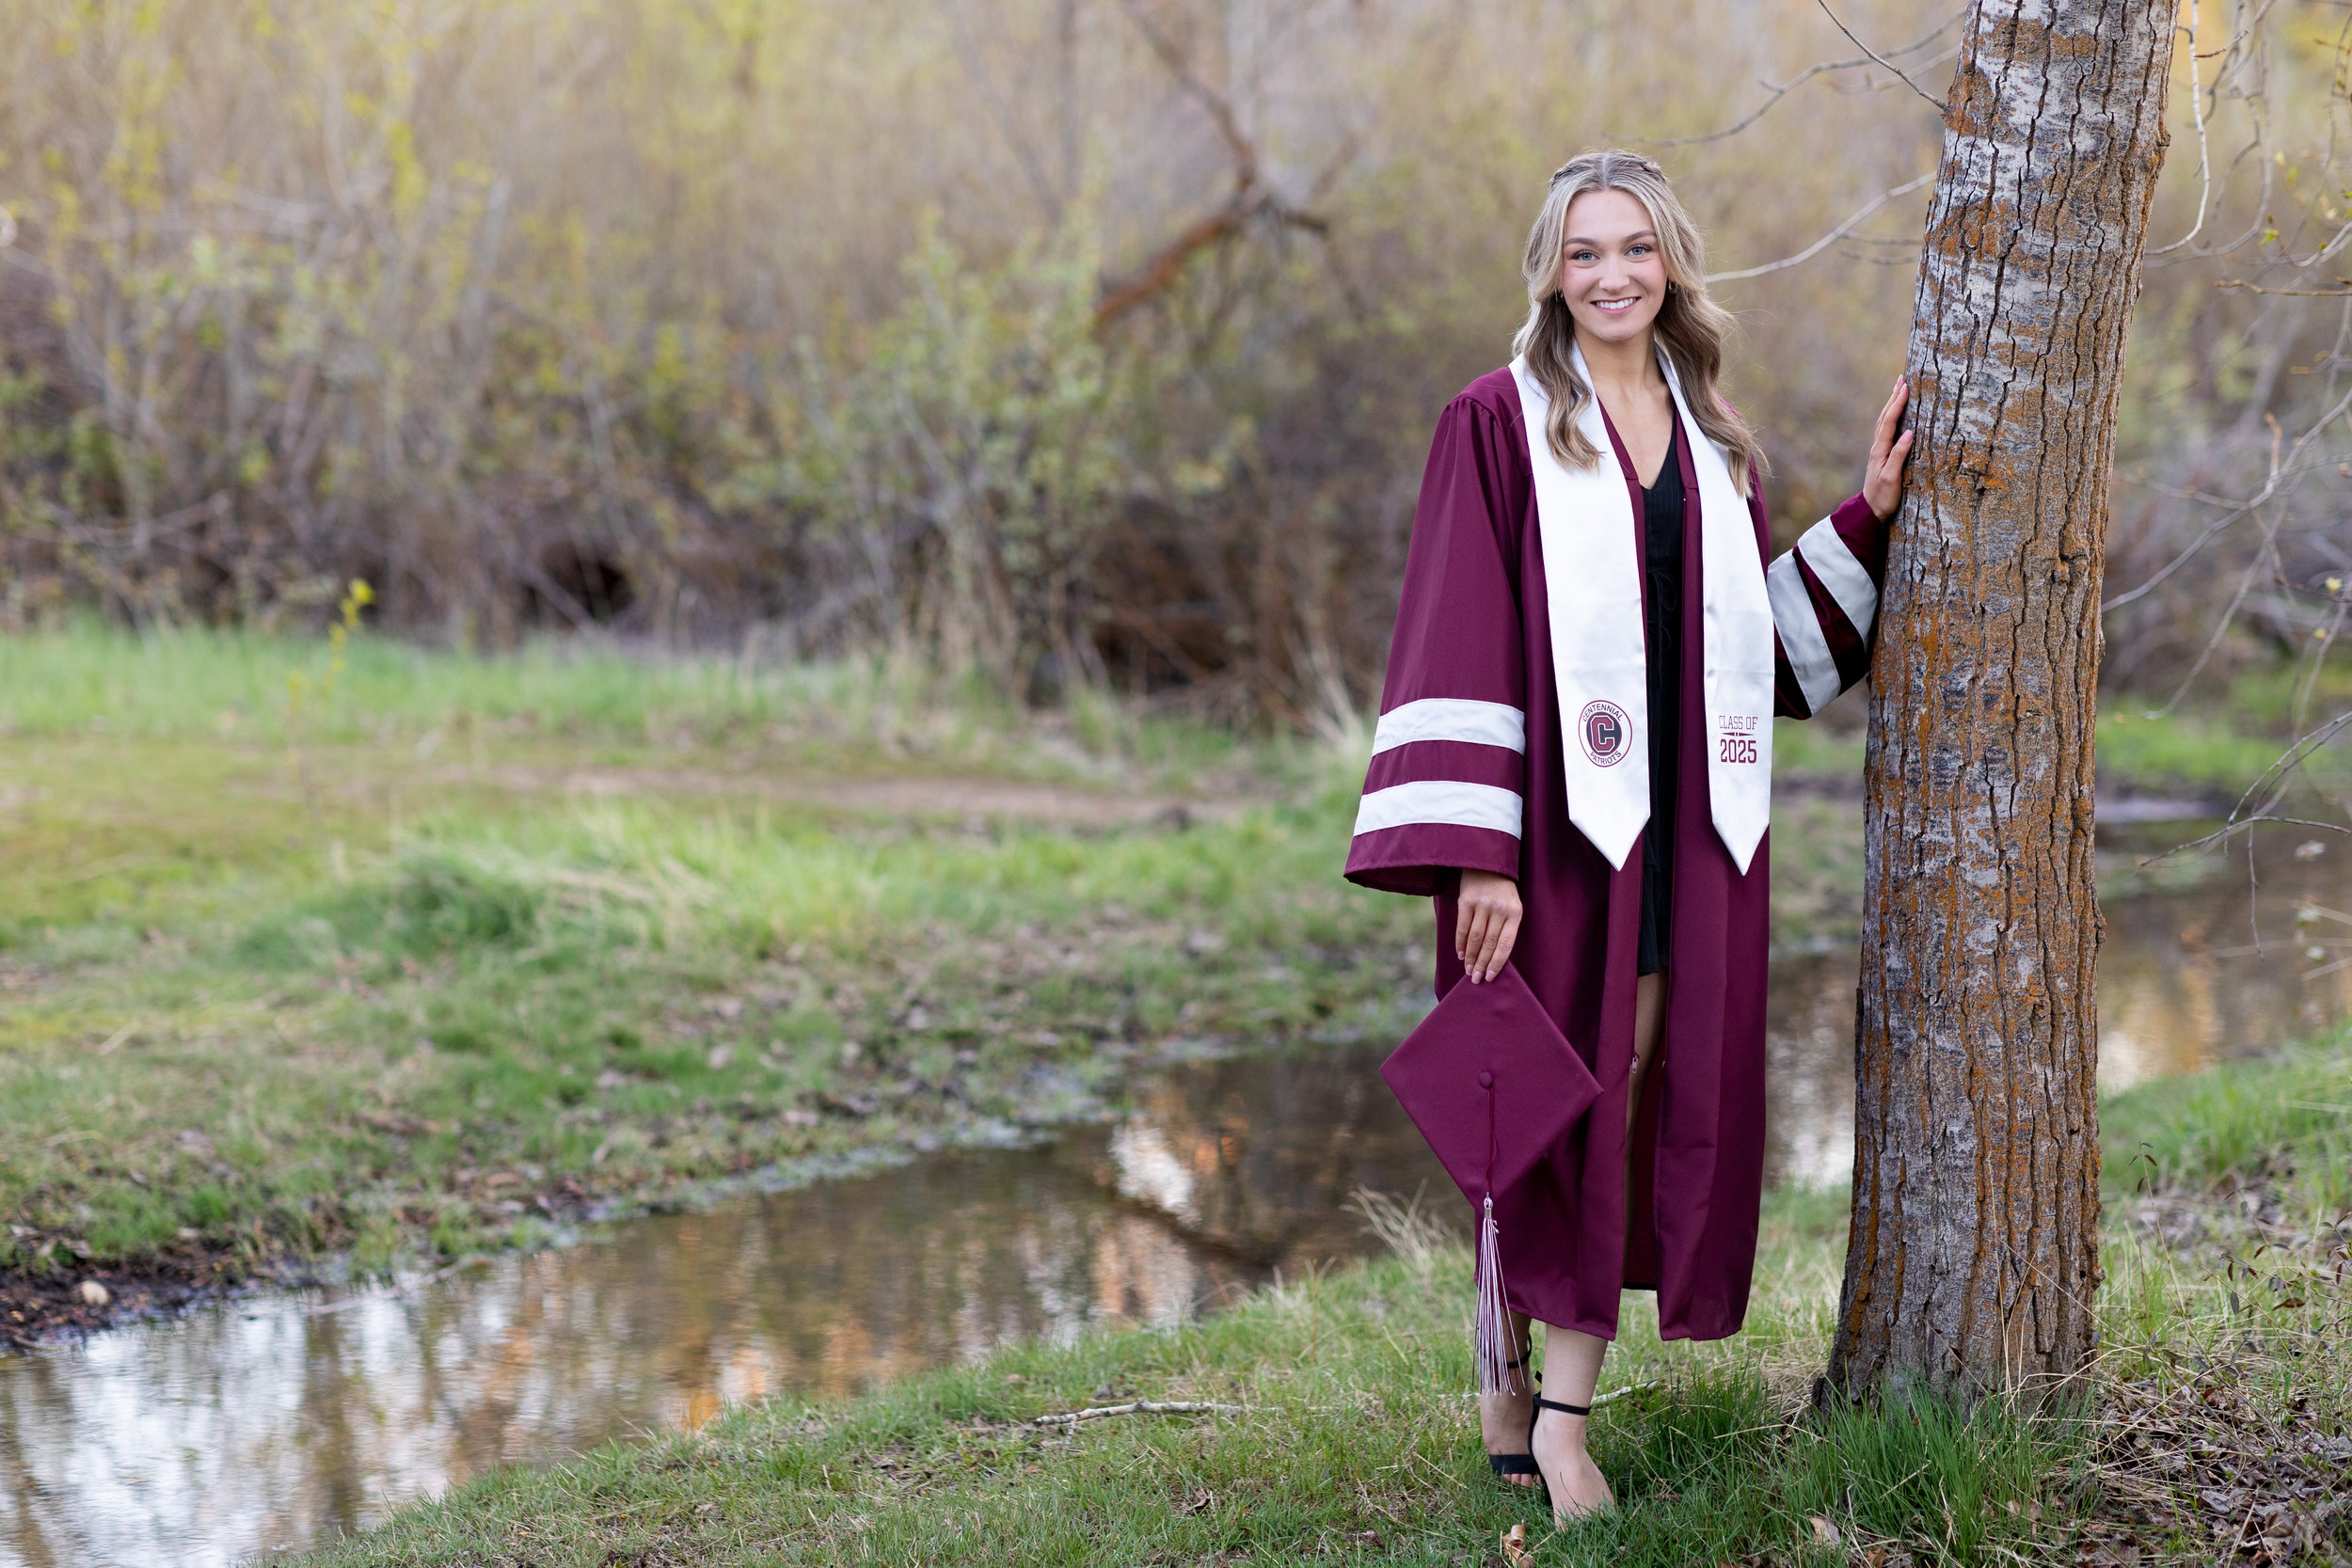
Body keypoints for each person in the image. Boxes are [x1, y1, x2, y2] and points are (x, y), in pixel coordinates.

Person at [1343, 149, 1914, 1523]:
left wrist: (1869, 518)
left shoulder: (1719, 447)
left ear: (1675, 269)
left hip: (1684, 834)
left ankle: (1562, 1421)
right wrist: (1477, 851)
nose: (1612, 276)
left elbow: (1750, 655)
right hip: (1547, 830)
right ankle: (1498, 1362)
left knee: (1629, 1084)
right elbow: (1456, 618)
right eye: (1585, 252)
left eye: (1637, 250)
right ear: (1551, 271)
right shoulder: (1497, 423)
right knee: (1523, 1090)